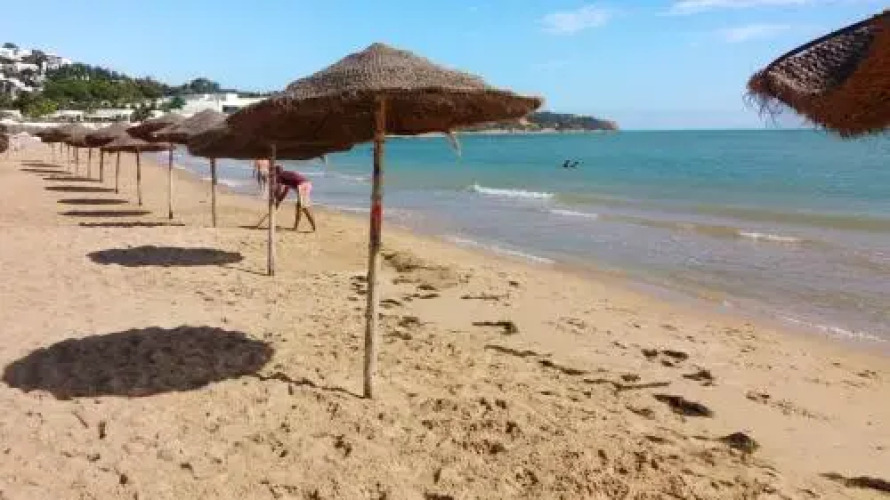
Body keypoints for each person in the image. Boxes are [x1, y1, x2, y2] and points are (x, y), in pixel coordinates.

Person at [272, 165, 316, 232]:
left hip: (303, 185)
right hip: (306, 184)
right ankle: (295, 227)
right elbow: (285, 191)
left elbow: (279, 190)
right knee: (299, 207)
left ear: (276, 172)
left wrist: (277, 202)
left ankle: (314, 227)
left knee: (304, 207)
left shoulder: (280, 176)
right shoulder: (286, 175)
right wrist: (278, 201)